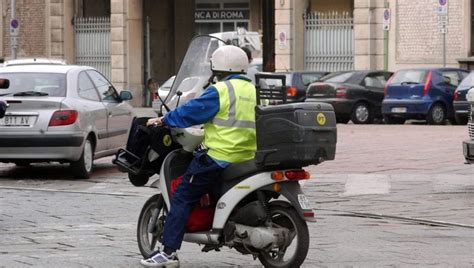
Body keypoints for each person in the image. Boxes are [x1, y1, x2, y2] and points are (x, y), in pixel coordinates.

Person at [140, 45, 257, 267]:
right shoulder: (251, 90)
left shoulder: (221, 90)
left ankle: (168, 253)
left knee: (183, 195)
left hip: (220, 156)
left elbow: (191, 111)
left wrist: (165, 120)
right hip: (247, 157)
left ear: (219, 68)